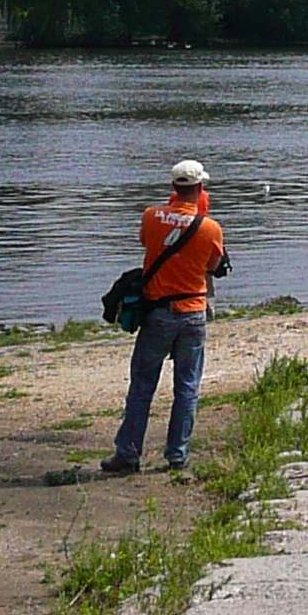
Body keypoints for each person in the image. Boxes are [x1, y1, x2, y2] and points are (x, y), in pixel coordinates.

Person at [104, 158, 229, 474]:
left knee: (142, 385)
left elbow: (146, 243)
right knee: (187, 386)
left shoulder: (151, 216)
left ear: (173, 188)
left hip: (158, 312)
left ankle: (128, 454)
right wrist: (198, 219)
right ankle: (177, 454)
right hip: (194, 312)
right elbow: (215, 267)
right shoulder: (210, 227)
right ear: (200, 188)